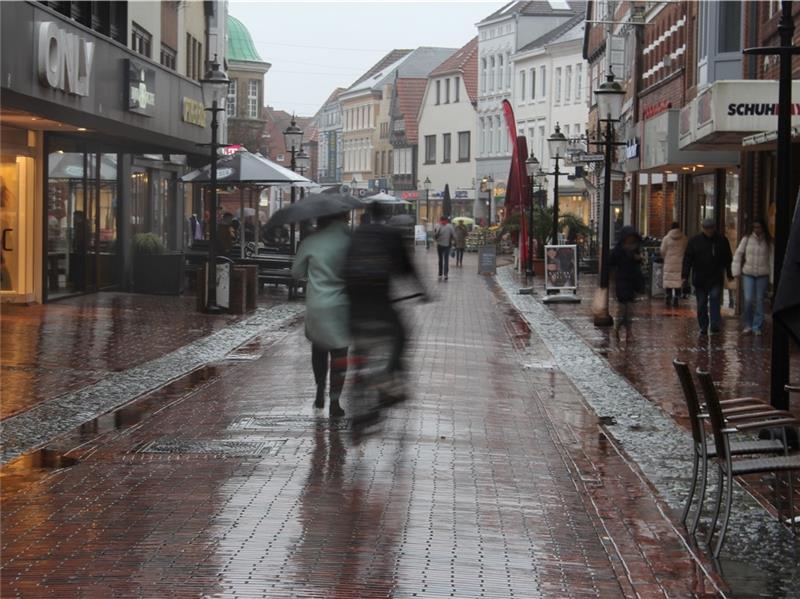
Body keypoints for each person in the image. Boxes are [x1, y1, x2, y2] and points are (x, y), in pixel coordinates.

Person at [344, 202, 427, 410]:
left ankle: (357, 373)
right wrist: (422, 291)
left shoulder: (355, 234)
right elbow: (407, 268)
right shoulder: (391, 234)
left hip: (355, 304)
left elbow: (342, 267)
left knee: (359, 339)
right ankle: (390, 381)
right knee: (401, 335)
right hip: (381, 302)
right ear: (387, 215)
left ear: (367, 215)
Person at [291, 212, 352, 417]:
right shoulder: (350, 241)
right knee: (340, 354)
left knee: (319, 349)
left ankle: (319, 389)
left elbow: (296, 272)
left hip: (317, 304)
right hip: (342, 304)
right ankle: (335, 401)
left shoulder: (311, 241)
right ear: (342, 219)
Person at [682, 217, 733, 336]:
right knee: (701, 303)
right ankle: (703, 326)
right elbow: (688, 259)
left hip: (716, 277)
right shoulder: (694, 241)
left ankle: (715, 324)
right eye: (706, 228)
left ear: (714, 228)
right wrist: (684, 276)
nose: (709, 231)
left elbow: (728, 258)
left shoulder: (721, 240)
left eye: (711, 228)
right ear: (702, 228)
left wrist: (729, 273)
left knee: (715, 299)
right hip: (700, 278)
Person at [732, 218, 772, 336]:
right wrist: (736, 271)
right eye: (755, 227)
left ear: (763, 228)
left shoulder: (768, 242)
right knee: (748, 299)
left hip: (762, 274)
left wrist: (772, 279)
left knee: (759, 300)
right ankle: (748, 324)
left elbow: (771, 259)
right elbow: (738, 254)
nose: (757, 229)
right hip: (748, 273)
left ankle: (756, 326)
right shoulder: (746, 239)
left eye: (759, 227)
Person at [609, 226, 644, 342]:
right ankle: (617, 329)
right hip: (622, 281)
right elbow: (612, 263)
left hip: (633, 282)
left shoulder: (635, 248)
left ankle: (628, 332)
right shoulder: (618, 250)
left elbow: (638, 265)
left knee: (630, 310)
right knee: (622, 309)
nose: (630, 240)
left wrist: (638, 259)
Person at [659, 222, 687, 307]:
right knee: (678, 281)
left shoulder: (666, 238)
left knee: (669, 281)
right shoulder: (684, 238)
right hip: (680, 263)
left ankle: (668, 295)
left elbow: (662, 251)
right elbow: (686, 250)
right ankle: (676, 297)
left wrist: (665, 257)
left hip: (669, 262)